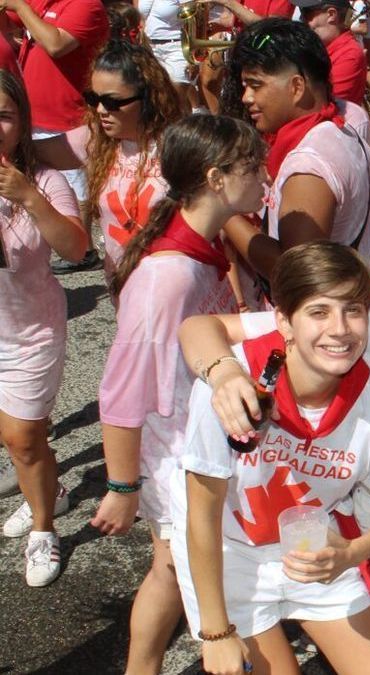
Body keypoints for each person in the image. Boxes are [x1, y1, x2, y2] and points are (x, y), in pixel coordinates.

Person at [175, 242, 370, 675]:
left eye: (353, 310)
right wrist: (216, 632)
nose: (340, 329)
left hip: (312, 550)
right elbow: (200, 514)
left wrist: (351, 553)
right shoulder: (232, 386)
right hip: (229, 554)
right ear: (283, 321)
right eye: (319, 312)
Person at [91, 113, 266, 675]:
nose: (265, 175)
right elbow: (119, 393)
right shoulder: (165, 277)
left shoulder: (205, 243)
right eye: (254, 166)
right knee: (179, 567)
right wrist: (122, 487)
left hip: (193, 435)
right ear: (217, 178)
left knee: (170, 568)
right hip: (172, 451)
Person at [0, 70, 89, 587]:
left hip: (32, 329)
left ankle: (43, 529)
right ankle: (48, 488)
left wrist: (28, 196)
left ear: (22, 123)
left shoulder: (47, 180)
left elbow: (76, 248)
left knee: (24, 436)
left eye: (4, 116)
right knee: (16, 439)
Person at [220, 18, 370, 301]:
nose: (246, 97)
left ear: (296, 87)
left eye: (256, 85)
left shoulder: (308, 167)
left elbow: (293, 272)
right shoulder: (348, 130)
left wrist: (223, 209)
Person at [33, 40, 185, 285]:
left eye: (113, 102)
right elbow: (33, 153)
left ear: (149, 98)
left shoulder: (180, 144)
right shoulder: (97, 140)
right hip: (123, 288)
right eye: (94, 98)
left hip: (174, 287)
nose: (101, 110)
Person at [12, 0, 108, 271]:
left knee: (75, 191)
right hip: (36, 115)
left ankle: (85, 250)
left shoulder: (86, 5)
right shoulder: (41, 2)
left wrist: (20, 7)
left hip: (69, 117)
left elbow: (56, 44)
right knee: (40, 184)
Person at [292, 0, 369, 105]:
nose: (302, 20)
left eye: (306, 13)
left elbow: (323, 104)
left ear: (331, 14)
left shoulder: (349, 55)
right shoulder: (319, 49)